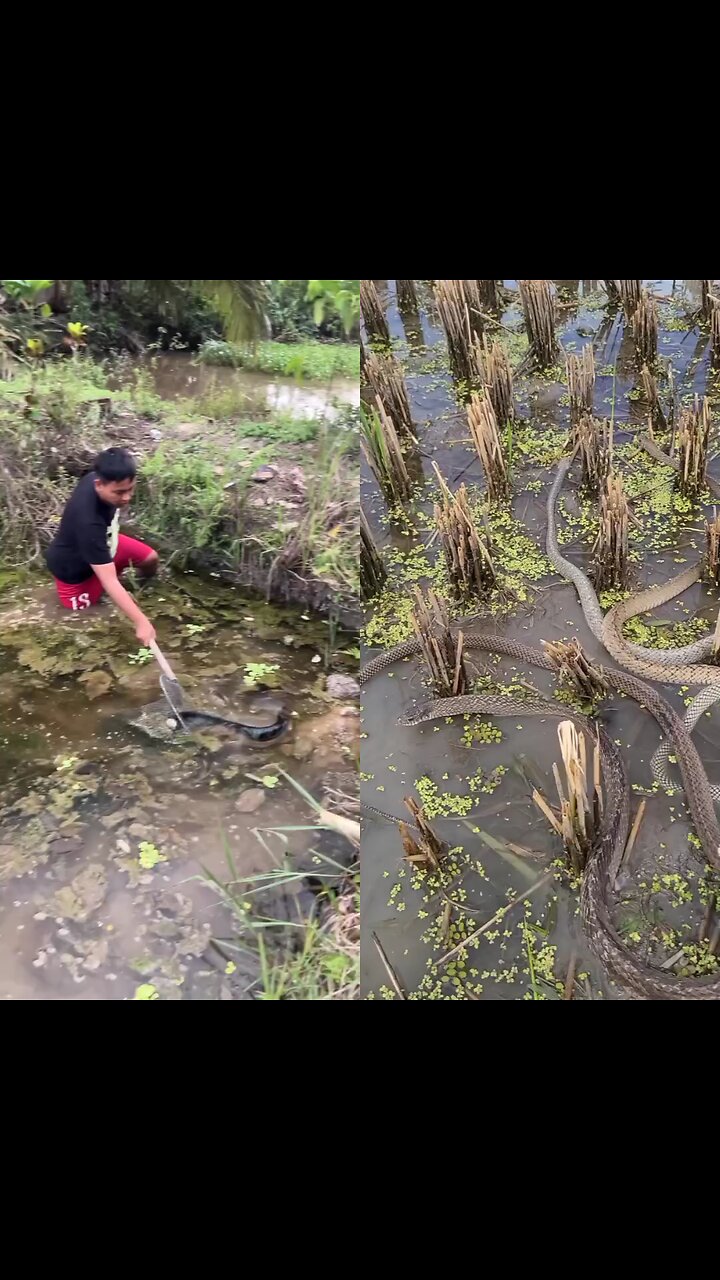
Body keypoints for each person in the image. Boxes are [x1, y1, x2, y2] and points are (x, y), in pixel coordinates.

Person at [45, 447, 157, 645]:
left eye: (131, 489)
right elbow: (109, 581)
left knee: (150, 559)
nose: (127, 497)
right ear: (98, 485)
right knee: (87, 618)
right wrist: (141, 622)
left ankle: (137, 586)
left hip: (106, 543)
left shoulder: (100, 477)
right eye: (119, 492)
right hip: (75, 572)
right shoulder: (88, 522)